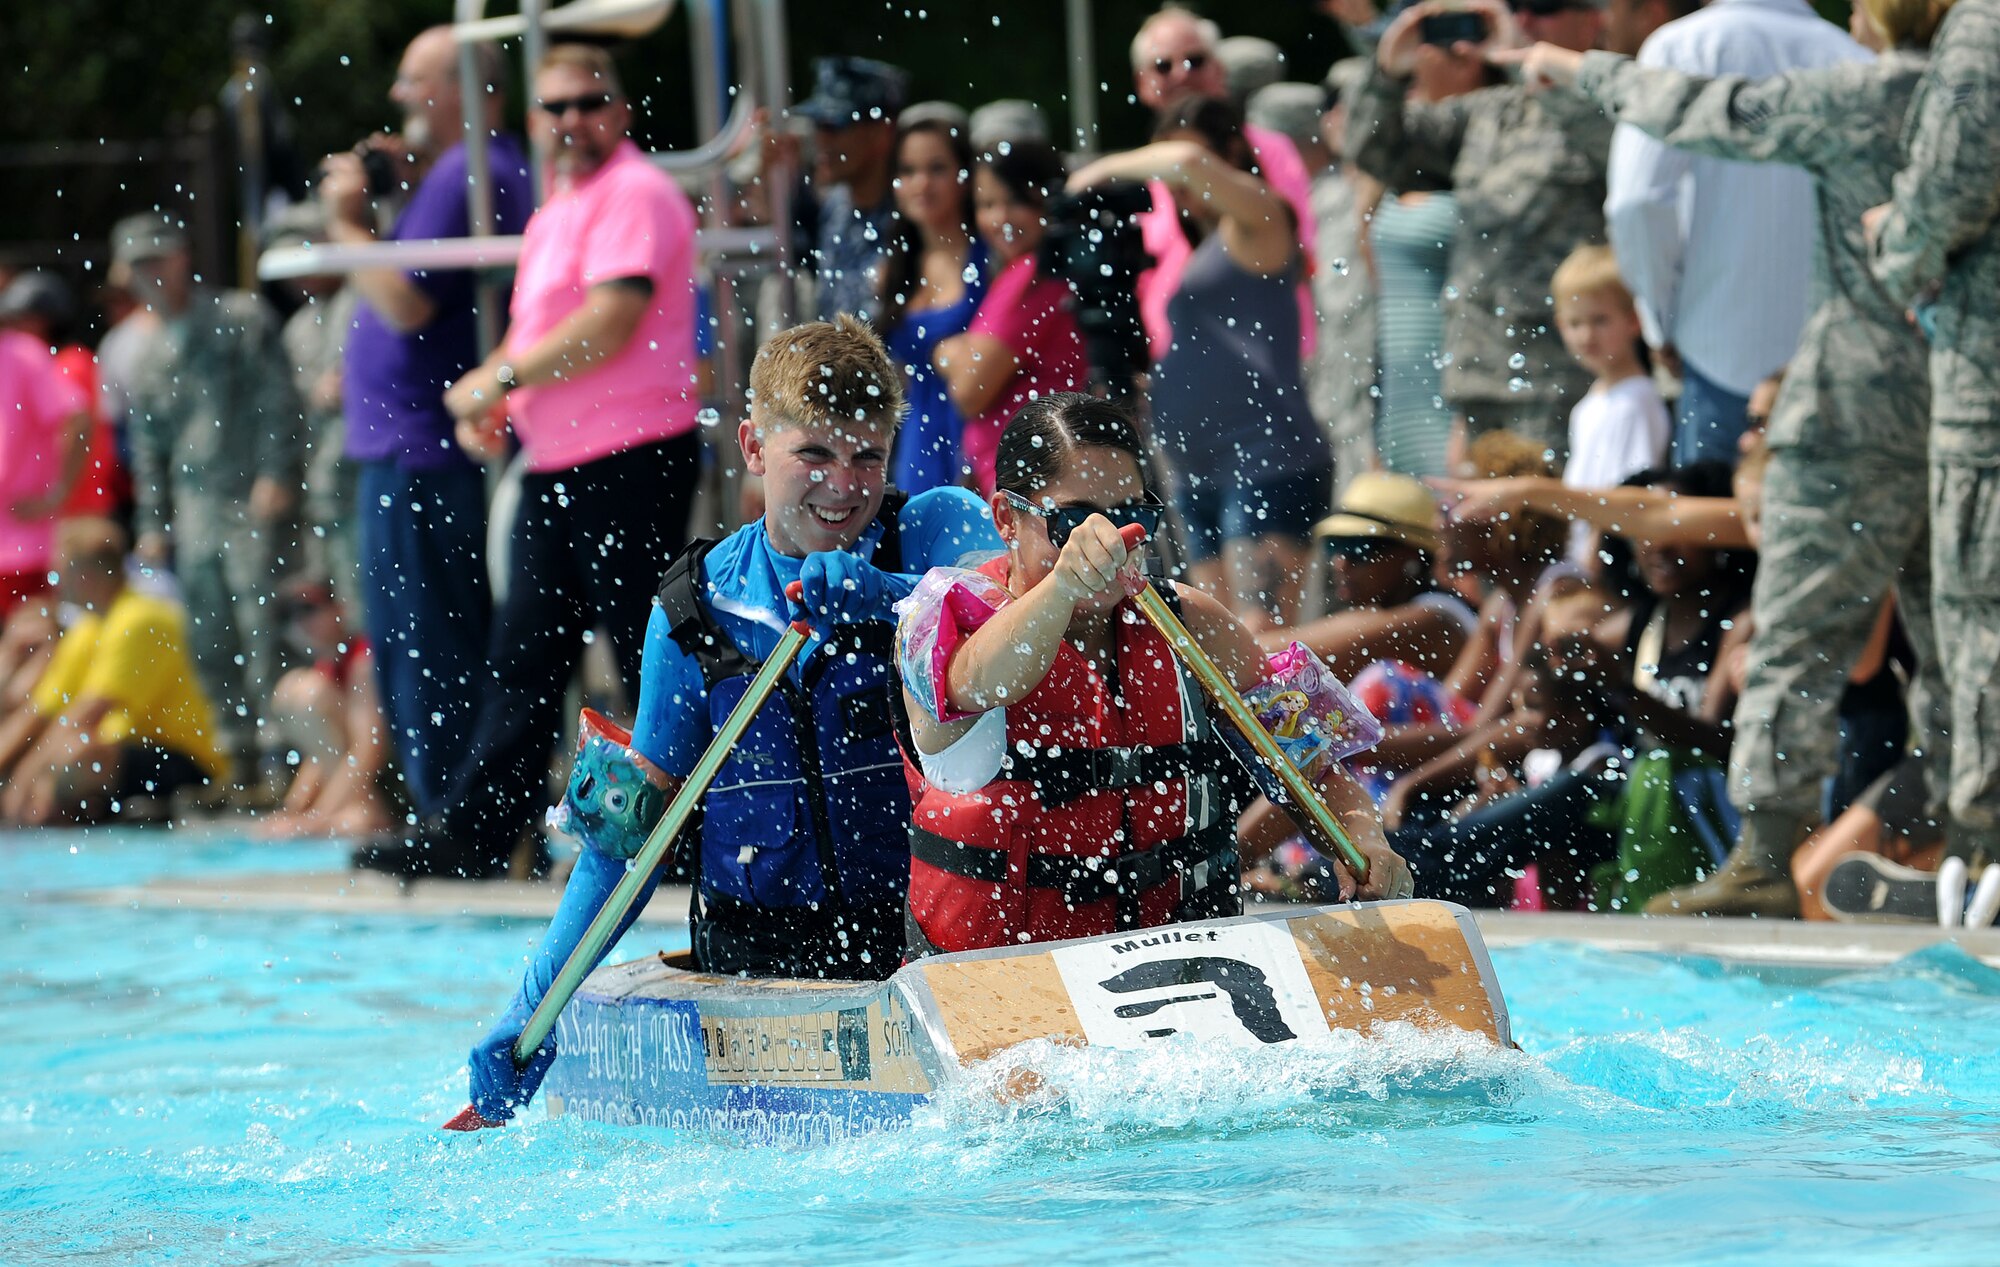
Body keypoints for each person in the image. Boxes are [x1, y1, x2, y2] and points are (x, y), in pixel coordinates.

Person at [463, 317, 1000, 1125]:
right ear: (752, 445)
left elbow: (1012, 620)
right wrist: (533, 1008)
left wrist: (898, 601)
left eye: (868, 456)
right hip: (752, 968)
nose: (843, 486)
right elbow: (628, 838)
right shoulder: (694, 611)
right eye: (813, 454)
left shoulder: (933, 530)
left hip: (916, 946)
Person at [1508, 1, 1943, 916]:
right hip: (1953, 391)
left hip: (1838, 393)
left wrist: (1572, 66)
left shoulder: (1849, 93)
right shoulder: (1944, 94)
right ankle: (1963, 844)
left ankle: (1768, 856)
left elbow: (1682, 128)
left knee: (1780, 627)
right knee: (1953, 642)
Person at [896, 393, 1409, 957]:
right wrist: (1063, 586)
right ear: (1006, 519)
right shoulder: (936, 624)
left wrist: (1365, 838)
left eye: (1130, 518)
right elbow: (980, 683)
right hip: (997, 981)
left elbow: (1315, 764)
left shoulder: (1193, 625)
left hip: (1179, 965)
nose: (1111, 545)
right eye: (1075, 522)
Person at [359, 43, 703, 878]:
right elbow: (539, 324)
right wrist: (505, 406)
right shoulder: (558, 209)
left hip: (632, 457)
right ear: (533, 120)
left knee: (646, 651)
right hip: (559, 462)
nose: (571, 121)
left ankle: (696, 838)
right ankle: (483, 835)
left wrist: (499, 378)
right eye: (554, 107)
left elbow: (610, 320)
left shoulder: (636, 192)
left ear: (619, 114)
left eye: (589, 103)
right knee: (525, 657)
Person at [318, 26, 534, 816]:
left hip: (426, 455)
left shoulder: (470, 171)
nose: (399, 98)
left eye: (416, 81)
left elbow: (406, 301)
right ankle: (444, 809)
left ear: (467, 90)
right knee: (418, 643)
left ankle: (447, 815)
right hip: (413, 451)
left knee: (431, 644)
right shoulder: (457, 174)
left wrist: (346, 225)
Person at [1071, 97, 1334, 628]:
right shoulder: (1203, 243)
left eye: (1173, 160)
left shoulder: (1264, 218)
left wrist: (1093, 172)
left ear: (1231, 152)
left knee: (1265, 644)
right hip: (1197, 470)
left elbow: (1190, 165)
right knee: (1214, 642)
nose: (1175, 180)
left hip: (1267, 460)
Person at [1346, 0, 1616, 464]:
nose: (1524, 21)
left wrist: (1537, 71)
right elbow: (1375, 150)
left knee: (1549, 527)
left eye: (1543, 8)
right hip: (1476, 372)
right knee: (1479, 534)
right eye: (1515, 9)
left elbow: (1612, 152)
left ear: (1592, 21)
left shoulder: (1610, 101)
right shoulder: (1488, 112)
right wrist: (1389, 72)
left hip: (1561, 372)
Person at [1601, 0, 1868, 468]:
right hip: (1834, 371)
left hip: (1715, 355)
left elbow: (1637, 200)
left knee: (1707, 534)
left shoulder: (1681, 46)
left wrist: (1658, 318)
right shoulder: (1853, 57)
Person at [1866, 0, 2000, 872]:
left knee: (1981, 611)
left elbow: (1950, 188)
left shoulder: (1981, 28)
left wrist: (1894, 244)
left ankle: (1987, 849)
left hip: (1985, 387)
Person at [118, 211, 304, 789]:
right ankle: (237, 759)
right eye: (139, 264)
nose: (151, 273)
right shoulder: (147, 355)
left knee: (262, 623)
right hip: (194, 509)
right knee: (208, 632)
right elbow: (149, 449)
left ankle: (288, 755)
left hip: (248, 496)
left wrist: (276, 471)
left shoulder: (236, 319)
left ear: (183, 258)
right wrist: (153, 522)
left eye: (159, 259)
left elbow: (277, 397)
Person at [0, 520, 229, 824]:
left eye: (57, 573)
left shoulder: (141, 619)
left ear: (84, 575)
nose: (54, 584)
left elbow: (86, 714)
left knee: (77, 752)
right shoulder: (88, 628)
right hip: (128, 753)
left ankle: (52, 827)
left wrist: (25, 782)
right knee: (60, 751)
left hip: (187, 761)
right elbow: (37, 714)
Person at [1128, 7, 1319, 363]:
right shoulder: (1136, 172)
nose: (1181, 74)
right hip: (1171, 368)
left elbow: (1300, 257)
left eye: (1195, 60)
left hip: (1263, 363)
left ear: (1219, 71)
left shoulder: (1266, 150)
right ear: (1142, 84)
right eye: (1163, 65)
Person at [1363, 38, 1489, 479]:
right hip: (1400, 383)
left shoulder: (1488, 149)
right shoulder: (1399, 165)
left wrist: (1469, 414)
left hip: (1455, 380)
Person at [933, 142, 1087, 497]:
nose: (1000, 218)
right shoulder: (1047, 270)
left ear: (1049, 199)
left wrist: (945, 352)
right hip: (1040, 478)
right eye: (987, 204)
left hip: (1033, 487)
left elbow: (970, 391)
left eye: (1015, 201)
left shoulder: (1034, 275)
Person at [1283, 472, 1479, 684]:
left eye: (1358, 548)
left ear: (1410, 554)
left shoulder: (1434, 621)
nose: (1340, 562)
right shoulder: (1382, 612)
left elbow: (1286, 660)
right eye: (1334, 545)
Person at [881, 116, 987, 493]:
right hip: (915, 443)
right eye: (908, 170)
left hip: (975, 440)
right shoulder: (893, 268)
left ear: (965, 176)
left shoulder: (991, 260)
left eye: (937, 168)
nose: (921, 183)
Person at [1547, 244, 1669, 565]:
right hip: (1580, 555)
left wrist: (1596, 557)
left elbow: (1631, 490)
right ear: (1561, 326)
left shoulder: (1637, 400)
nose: (1586, 335)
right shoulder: (1588, 405)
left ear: (1633, 321)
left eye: (1600, 320)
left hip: (1605, 559)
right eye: (1575, 323)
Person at [259, 579, 391, 839]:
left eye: (309, 609)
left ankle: (371, 811)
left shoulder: (362, 660)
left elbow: (369, 750)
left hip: (391, 779)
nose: (301, 623)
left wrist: (316, 818)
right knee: (291, 688)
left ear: (339, 609)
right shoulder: (328, 667)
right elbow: (321, 753)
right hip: (363, 782)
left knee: (308, 692)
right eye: (290, 615)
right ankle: (354, 808)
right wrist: (293, 809)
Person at [795, 56, 909, 325]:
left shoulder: (915, 216)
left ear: (882, 132)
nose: (820, 138)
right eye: (817, 124)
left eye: (834, 124)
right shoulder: (835, 206)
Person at [0, 300, 91, 626]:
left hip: (22, 553)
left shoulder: (23, 353)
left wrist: (57, 494)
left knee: (29, 654)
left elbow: (79, 420)